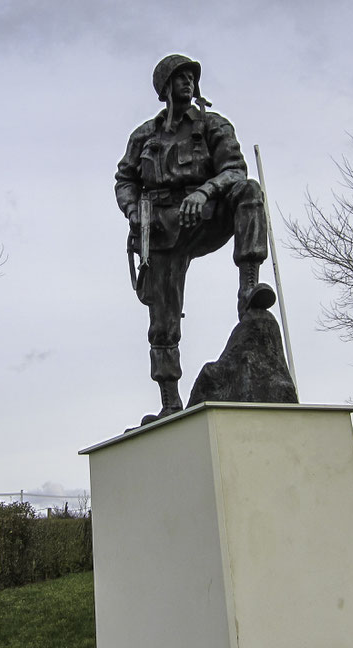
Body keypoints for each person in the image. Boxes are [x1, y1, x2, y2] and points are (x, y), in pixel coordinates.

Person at [115, 54, 276, 424]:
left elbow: (235, 169)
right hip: (160, 228)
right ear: (165, 87)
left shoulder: (213, 125)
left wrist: (205, 192)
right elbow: (124, 179)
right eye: (179, 77)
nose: (187, 82)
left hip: (205, 214)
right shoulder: (144, 136)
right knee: (162, 321)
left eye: (191, 77)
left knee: (249, 193)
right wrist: (133, 212)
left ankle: (248, 290)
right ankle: (170, 402)